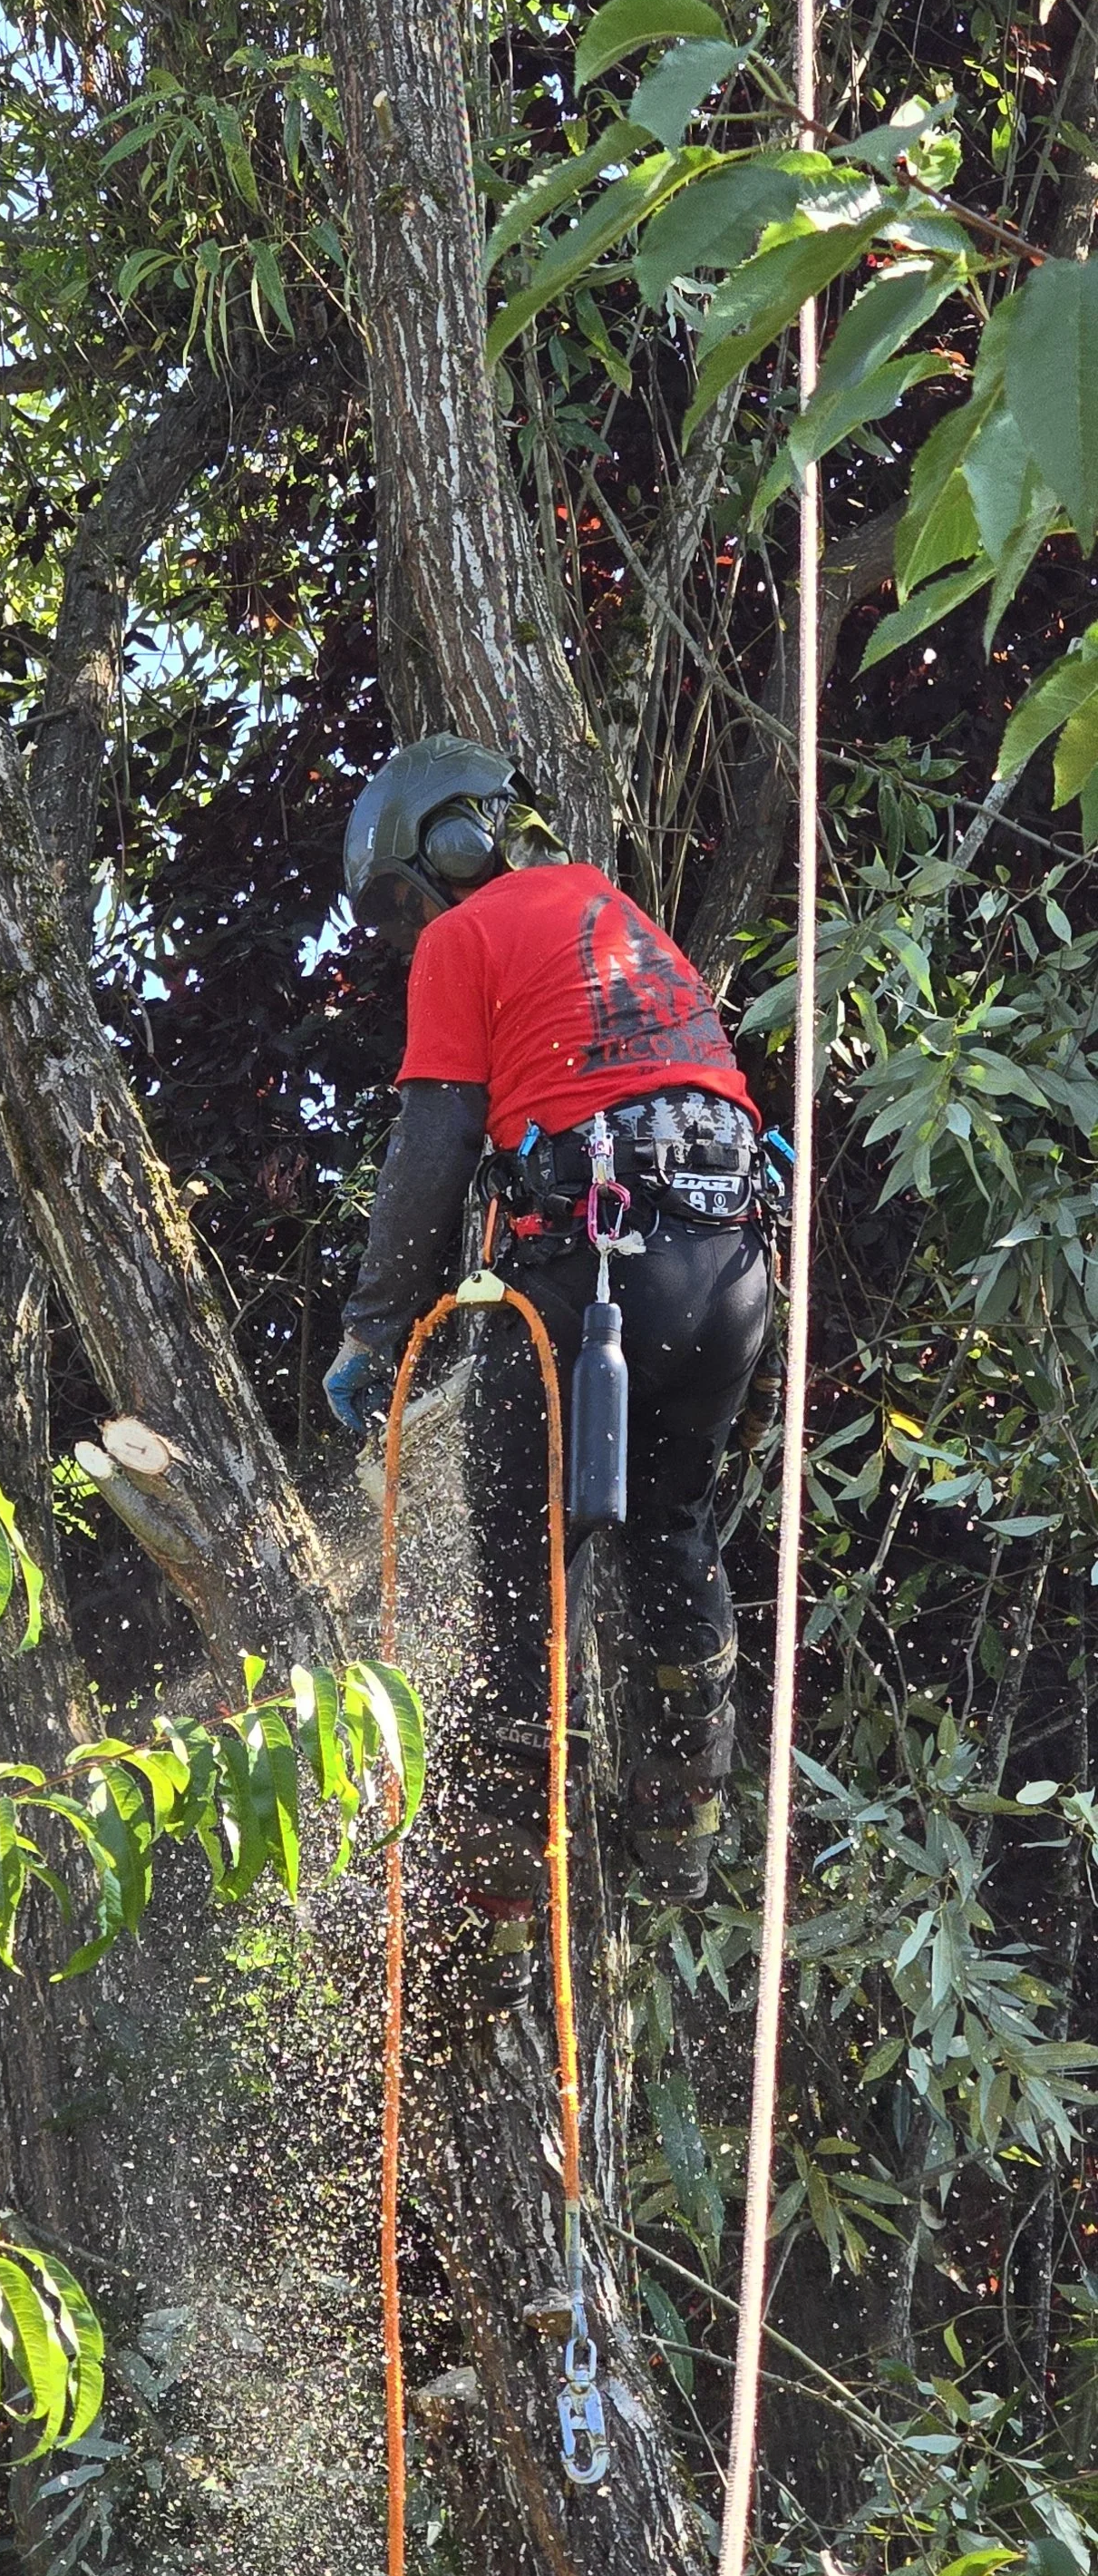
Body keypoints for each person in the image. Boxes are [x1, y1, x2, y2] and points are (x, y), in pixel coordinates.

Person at [324, 735, 772, 1908]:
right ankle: (685, 1822)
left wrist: (375, 1327)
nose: (409, 928)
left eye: (402, 900)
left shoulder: (468, 937)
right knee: (668, 1525)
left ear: (450, 846)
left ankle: (501, 1892)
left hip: (595, 1274)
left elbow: (433, 1150)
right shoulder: (620, 918)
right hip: (729, 1273)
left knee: (518, 1563)